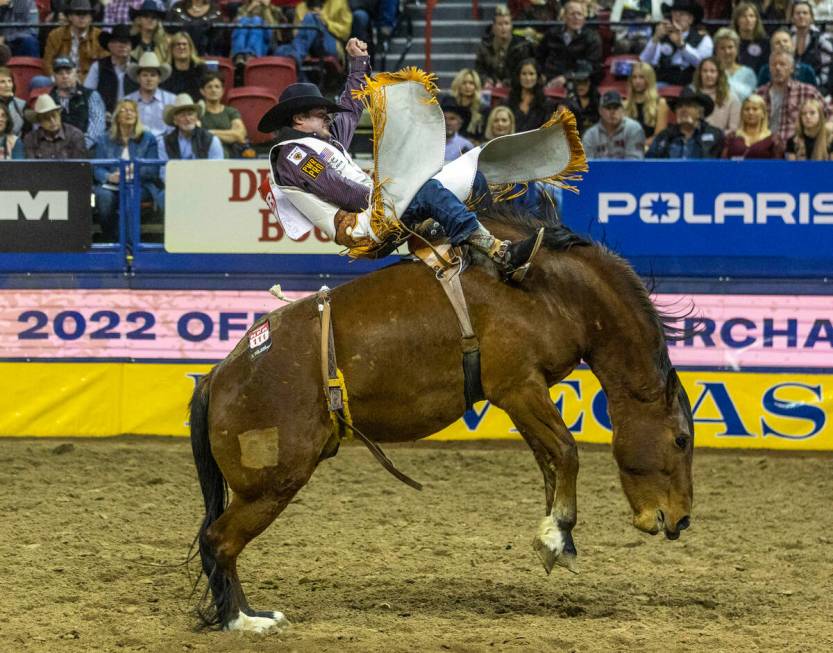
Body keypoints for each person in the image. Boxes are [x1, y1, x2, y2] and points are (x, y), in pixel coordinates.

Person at [260, 38, 544, 280]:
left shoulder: (325, 140)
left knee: (474, 178)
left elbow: (350, 105)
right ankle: (498, 252)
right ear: (299, 118)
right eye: (320, 113)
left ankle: (471, 251)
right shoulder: (291, 155)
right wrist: (388, 193)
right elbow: (340, 191)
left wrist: (358, 63)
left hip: (377, 211)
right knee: (428, 190)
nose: (327, 116)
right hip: (363, 226)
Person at [92, 99, 162, 241]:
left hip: (140, 185)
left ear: (137, 116)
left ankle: (130, 245)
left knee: (129, 194)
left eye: (132, 110)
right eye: (123, 110)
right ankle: (112, 240)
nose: (128, 113)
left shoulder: (148, 138)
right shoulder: (104, 139)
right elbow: (97, 168)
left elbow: (153, 170)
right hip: (111, 185)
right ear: (116, 116)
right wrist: (109, 177)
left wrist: (131, 173)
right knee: (104, 197)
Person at [757, 50, 828, 144]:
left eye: (782, 64)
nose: (777, 68)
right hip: (764, 147)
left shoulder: (808, 92)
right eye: (774, 65)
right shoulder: (760, 93)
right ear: (769, 68)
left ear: (792, 69)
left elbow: (829, 115)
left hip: (796, 148)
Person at [640, 0, 713, 86]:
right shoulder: (663, 35)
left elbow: (702, 64)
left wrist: (682, 46)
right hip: (663, 82)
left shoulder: (704, 38)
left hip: (690, 83)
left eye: (682, 14)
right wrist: (655, 38)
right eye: (674, 13)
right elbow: (644, 61)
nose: (677, 17)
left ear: (691, 19)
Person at [275, 0, 352, 75]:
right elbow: (296, 34)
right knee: (281, 50)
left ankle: (296, 57)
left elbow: (345, 32)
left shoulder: (339, 2)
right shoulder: (301, 7)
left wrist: (324, 21)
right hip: (306, 49)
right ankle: (303, 81)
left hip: (331, 44)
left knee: (311, 17)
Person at [539, 0, 603, 87]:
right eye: (572, 14)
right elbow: (540, 57)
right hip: (550, 78)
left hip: (577, 82)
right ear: (564, 16)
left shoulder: (592, 38)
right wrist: (540, 73)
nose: (576, 17)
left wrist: (566, 78)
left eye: (579, 14)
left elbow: (591, 67)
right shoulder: (552, 34)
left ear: (584, 18)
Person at [646, 87, 724, 158]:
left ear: (700, 112)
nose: (683, 110)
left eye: (689, 105)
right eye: (680, 106)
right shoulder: (664, 137)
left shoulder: (715, 135)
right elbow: (649, 164)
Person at [49, 56, 106, 151]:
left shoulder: (91, 95)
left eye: (68, 72)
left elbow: (97, 127)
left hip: (87, 151)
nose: (65, 76)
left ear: (76, 73)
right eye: (60, 73)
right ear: (54, 76)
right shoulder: (48, 99)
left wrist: (80, 147)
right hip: (56, 152)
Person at [42, 0, 106, 79]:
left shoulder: (100, 36)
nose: (82, 17)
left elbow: (104, 66)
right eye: (78, 13)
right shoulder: (55, 35)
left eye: (85, 14)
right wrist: (56, 78)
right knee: (38, 81)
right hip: (59, 78)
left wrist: (80, 80)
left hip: (88, 81)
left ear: (90, 18)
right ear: (70, 17)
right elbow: (47, 62)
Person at [474, 4, 534, 88]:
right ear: (493, 27)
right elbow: (479, 70)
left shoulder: (522, 46)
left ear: (511, 26)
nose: (503, 28)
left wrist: (506, 83)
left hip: (516, 89)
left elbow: (525, 72)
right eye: (500, 24)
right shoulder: (484, 45)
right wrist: (485, 80)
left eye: (506, 24)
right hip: (491, 88)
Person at [84, 25, 138, 114]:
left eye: (126, 42)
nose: (122, 45)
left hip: (133, 116)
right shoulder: (98, 66)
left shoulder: (138, 68)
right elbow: (88, 94)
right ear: (109, 45)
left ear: (131, 46)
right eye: (117, 42)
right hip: (104, 116)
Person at [159, 93, 224, 162]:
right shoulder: (165, 142)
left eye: (190, 114)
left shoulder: (211, 140)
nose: (187, 119)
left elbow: (217, 169)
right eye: (182, 115)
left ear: (196, 118)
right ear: (175, 121)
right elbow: (164, 170)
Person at [582, 90, 646, 159]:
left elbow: (635, 163)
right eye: (608, 108)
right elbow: (587, 165)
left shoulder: (633, 129)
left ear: (622, 109)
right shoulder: (590, 135)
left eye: (616, 108)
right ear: (600, 111)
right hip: (600, 170)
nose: (612, 112)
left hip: (627, 170)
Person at [125, 52, 176, 138]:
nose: (149, 79)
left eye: (153, 75)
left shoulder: (171, 100)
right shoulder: (127, 101)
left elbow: (174, 129)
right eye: (145, 75)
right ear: (138, 78)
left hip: (164, 145)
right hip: (135, 144)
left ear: (159, 78)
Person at [199, 72, 248, 158]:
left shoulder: (230, 112)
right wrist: (229, 135)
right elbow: (197, 137)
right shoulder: (198, 112)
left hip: (230, 158)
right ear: (202, 91)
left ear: (222, 91)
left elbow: (239, 136)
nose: (213, 90)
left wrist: (209, 133)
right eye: (209, 87)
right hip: (204, 157)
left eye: (217, 87)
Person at [22, 94, 87, 159]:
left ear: (59, 115)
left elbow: (79, 166)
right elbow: (31, 167)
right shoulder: (30, 139)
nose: (52, 121)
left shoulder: (75, 135)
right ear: (40, 122)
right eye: (46, 118)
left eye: (54, 115)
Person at [623, 62, 669, 148]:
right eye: (634, 77)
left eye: (641, 77)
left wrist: (638, 146)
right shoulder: (624, 105)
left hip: (651, 152)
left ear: (649, 79)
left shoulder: (660, 104)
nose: (637, 81)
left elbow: (659, 137)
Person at [788, 1, 833, 88]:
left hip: (818, 86)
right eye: (797, 13)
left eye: (805, 13)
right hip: (791, 86)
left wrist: (809, 86)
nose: (801, 16)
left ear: (811, 17)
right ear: (792, 18)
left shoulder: (822, 40)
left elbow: (826, 73)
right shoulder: (787, 39)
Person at [723, 93, 781, 158]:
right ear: (742, 113)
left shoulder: (774, 139)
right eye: (747, 109)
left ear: (763, 113)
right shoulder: (732, 136)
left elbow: (778, 165)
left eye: (755, 109)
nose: (750, 112)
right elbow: (723, 162)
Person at [692, 57, 740, 132]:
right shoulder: (691, 95)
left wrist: (716, 137)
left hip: (721, 140)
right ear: (700, 74)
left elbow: (734, 128)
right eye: (705, 71)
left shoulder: (732, 98)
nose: (708, 74)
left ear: (719, 74)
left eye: (712, 71)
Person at [231, 0, 286, 66]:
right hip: (246, 38)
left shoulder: (275, 9)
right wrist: (249, 9)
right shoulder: (242, 8)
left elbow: (273, 27)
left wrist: (266, 8)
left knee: (256, 20)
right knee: (244, 20)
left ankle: (251, 55)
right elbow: (235, 26)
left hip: (268, 38)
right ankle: (239, 56)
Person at [507, 58, 555, 132]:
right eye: (524, 74)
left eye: (531, 74)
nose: (528, 78)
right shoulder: (508, 101)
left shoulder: (546, 104)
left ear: (537, 77)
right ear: (518, 76)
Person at [713, 28, 758, 101]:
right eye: (722, 48)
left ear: (737, 49)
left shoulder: (748, 73)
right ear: (716, 51)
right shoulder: (711, 72)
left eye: (730, 47)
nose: (727, 51)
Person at [162, 32, 206, 100]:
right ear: (171, 49)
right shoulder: (166, 71)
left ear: (191, 48)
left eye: (184, 44)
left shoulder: (201, 68)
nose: (181, 47)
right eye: (178, 44)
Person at [732, 2, 769, 75]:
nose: (748, 19)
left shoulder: (765, 43)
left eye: (751, 16)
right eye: (743, 16)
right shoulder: (731, 42)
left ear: (756, 20)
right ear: (737, 20)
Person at [450, 69, 485, 141]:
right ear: (458, 85)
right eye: (464, 83)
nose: (467, 86)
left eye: (471, 83)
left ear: (476, 86)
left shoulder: (482, 109)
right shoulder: (450, 105)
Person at [565, 64, 600, 134]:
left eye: (584, 82)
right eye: (578, 82)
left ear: (590, 83)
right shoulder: (570, 102)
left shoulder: (598, 101)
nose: (580, 86)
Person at [441, 95, 474, 162]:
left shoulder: (465, 145)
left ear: (460, 123)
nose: (447, 123)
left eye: (452, 119)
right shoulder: (428, 142)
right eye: (443, 118)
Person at [0, 65, 26, 136]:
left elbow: (27, 131)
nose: (7, 85)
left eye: (9, 81)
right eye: (2, 82)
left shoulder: (21, 104)